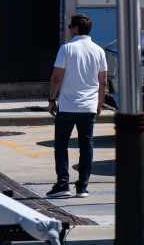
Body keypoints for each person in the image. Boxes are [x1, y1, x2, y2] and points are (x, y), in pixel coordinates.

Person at [46, 14, 107, 199]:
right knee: (86, 146)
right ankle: (82, 187)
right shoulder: (99, 51)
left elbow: (56, 77)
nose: (70, 29)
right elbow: (103, 82)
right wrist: (99, 103)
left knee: (61, 145)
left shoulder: (67, 49)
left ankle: (63, 183)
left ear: (76, 29)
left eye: (71, 26)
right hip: (89, 107)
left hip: (68, 105)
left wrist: (51, 99)